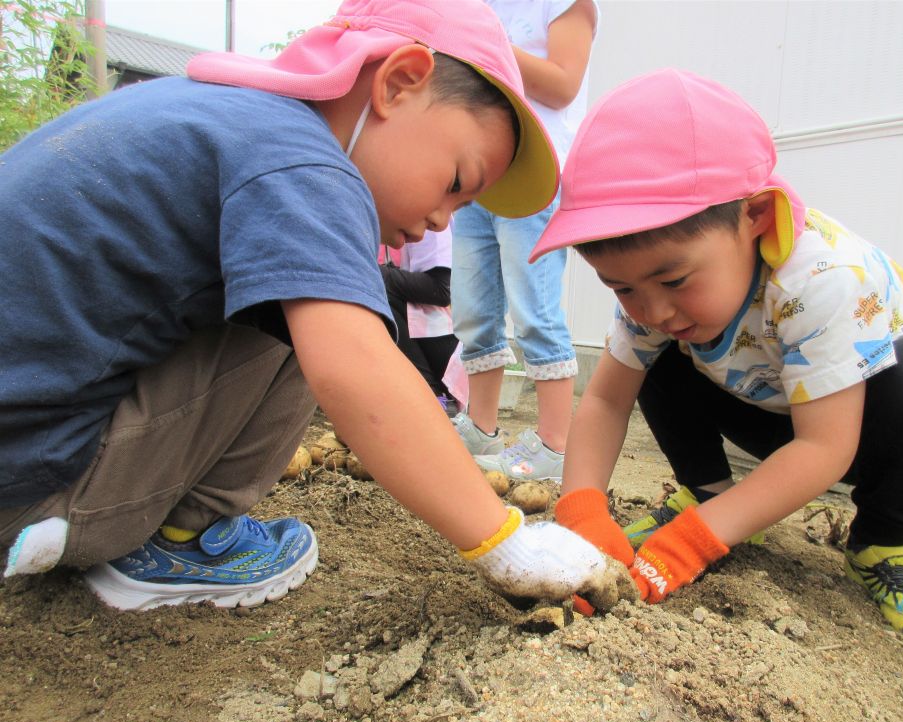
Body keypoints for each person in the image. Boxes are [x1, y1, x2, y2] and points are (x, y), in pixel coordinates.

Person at [0, 0, 621, 613]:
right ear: (400, 82)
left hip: (30, 455)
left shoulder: (223, 113)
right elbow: (354, 367)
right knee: (330, 305)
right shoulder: (301, 157)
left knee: (310, 291)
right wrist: (506, 543)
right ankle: (176, 539)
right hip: (41, 487)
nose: (442, 219)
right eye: (457, 183)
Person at [533, 69, 903, 653]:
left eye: (673, 278)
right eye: (622, 288)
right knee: (651, 353)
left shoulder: (821, 277)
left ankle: (885, 541)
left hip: (866, 427)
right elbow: (605, 398)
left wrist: (690, 546)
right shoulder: (656, 301)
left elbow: (824, 447)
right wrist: (583, 511)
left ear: (757, 219)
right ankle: (712, 494)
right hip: (765, 405)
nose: (654, 306)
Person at [450, 0, 599, 481]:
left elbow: (562, 85)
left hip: (534, 171)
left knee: (534, 308)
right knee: (473, 309)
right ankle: (480, 427)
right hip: (477, 169)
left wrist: (483, 46)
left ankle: (555, 447)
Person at [379, 226, 466, 417]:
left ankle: (438, 402)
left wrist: (372, 272)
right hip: (419, 333)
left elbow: (442, 290)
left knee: (378, 293)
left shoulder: (429, 223)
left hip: (441, 340)